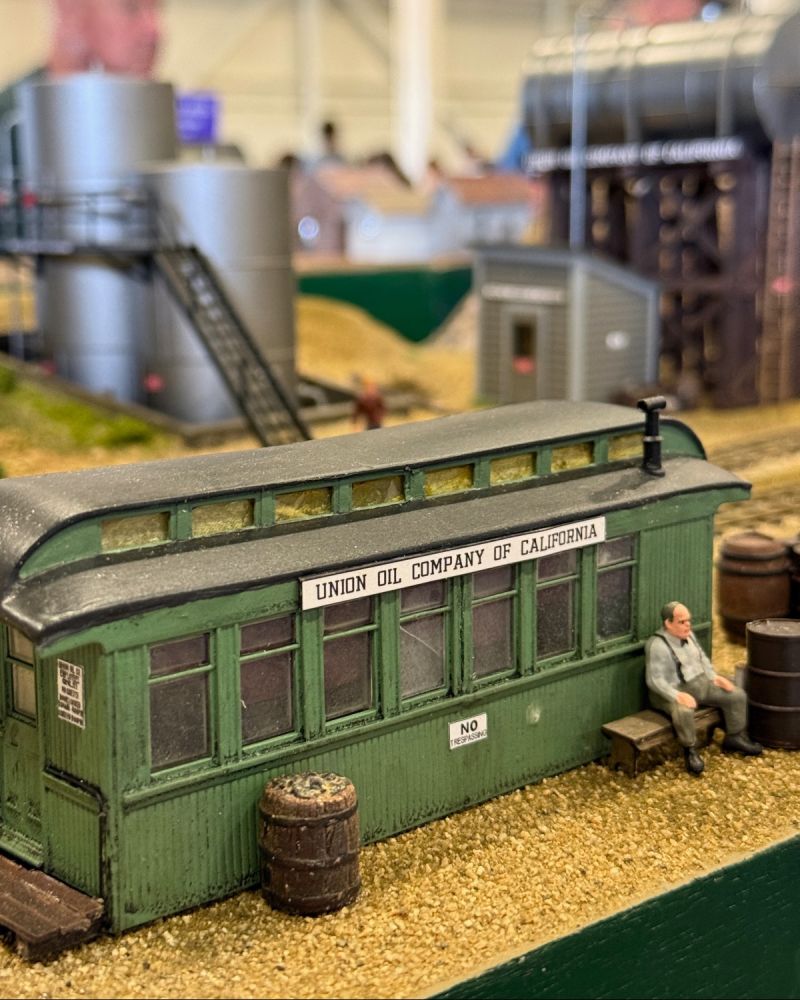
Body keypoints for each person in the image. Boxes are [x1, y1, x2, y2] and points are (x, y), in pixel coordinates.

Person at [645, 601, 762, 776]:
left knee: (736, 695)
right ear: (668, 623)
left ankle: (735, 737)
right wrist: (677, 695)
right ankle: (690, 750)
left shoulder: (689, 635)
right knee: (683, 712)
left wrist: (714, 677)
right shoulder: (657, 645)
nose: (687, 625)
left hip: (698, 683)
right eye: (681, 622)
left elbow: (702, 659)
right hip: (670, 691)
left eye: (688, 621)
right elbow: (655, 680)